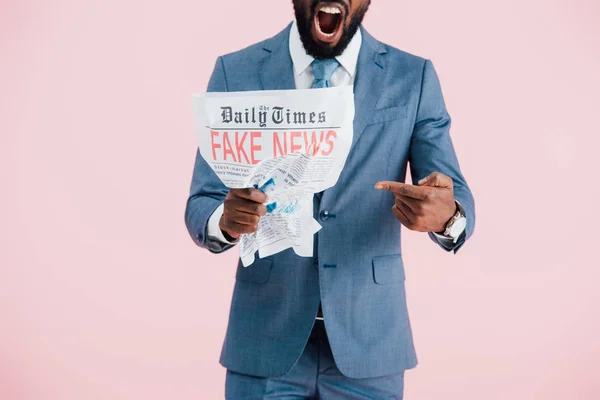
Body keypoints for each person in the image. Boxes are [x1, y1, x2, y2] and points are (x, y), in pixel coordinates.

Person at [185, 0, 475, 398]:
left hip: (370, 343)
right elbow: (202, 201)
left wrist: (447, 218)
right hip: (265, 338)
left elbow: (453, 195)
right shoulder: (235, 71)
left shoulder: (413, 76)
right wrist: (224, 219)